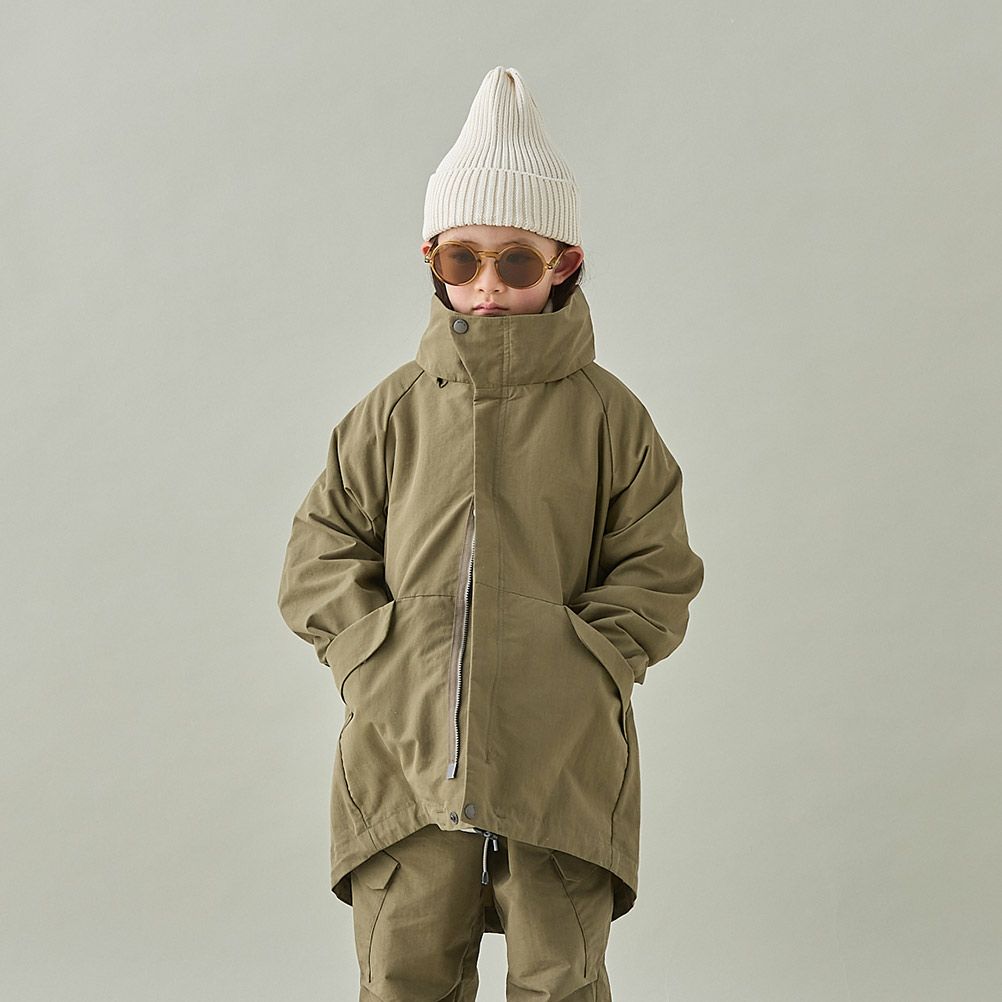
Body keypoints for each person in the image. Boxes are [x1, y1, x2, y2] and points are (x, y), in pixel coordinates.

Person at [277, 65, 705, 1002]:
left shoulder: (610, 419)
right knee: (404, 973)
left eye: (515, 261)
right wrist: (377, 660)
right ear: (431, 259)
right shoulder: (390, 413)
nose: (485, 286)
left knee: (560, 978)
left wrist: (586, 664)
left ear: (563, 264)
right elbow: (320, 553)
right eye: (461, 260)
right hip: (406, 750)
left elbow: (658, 566)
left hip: (562, 754)